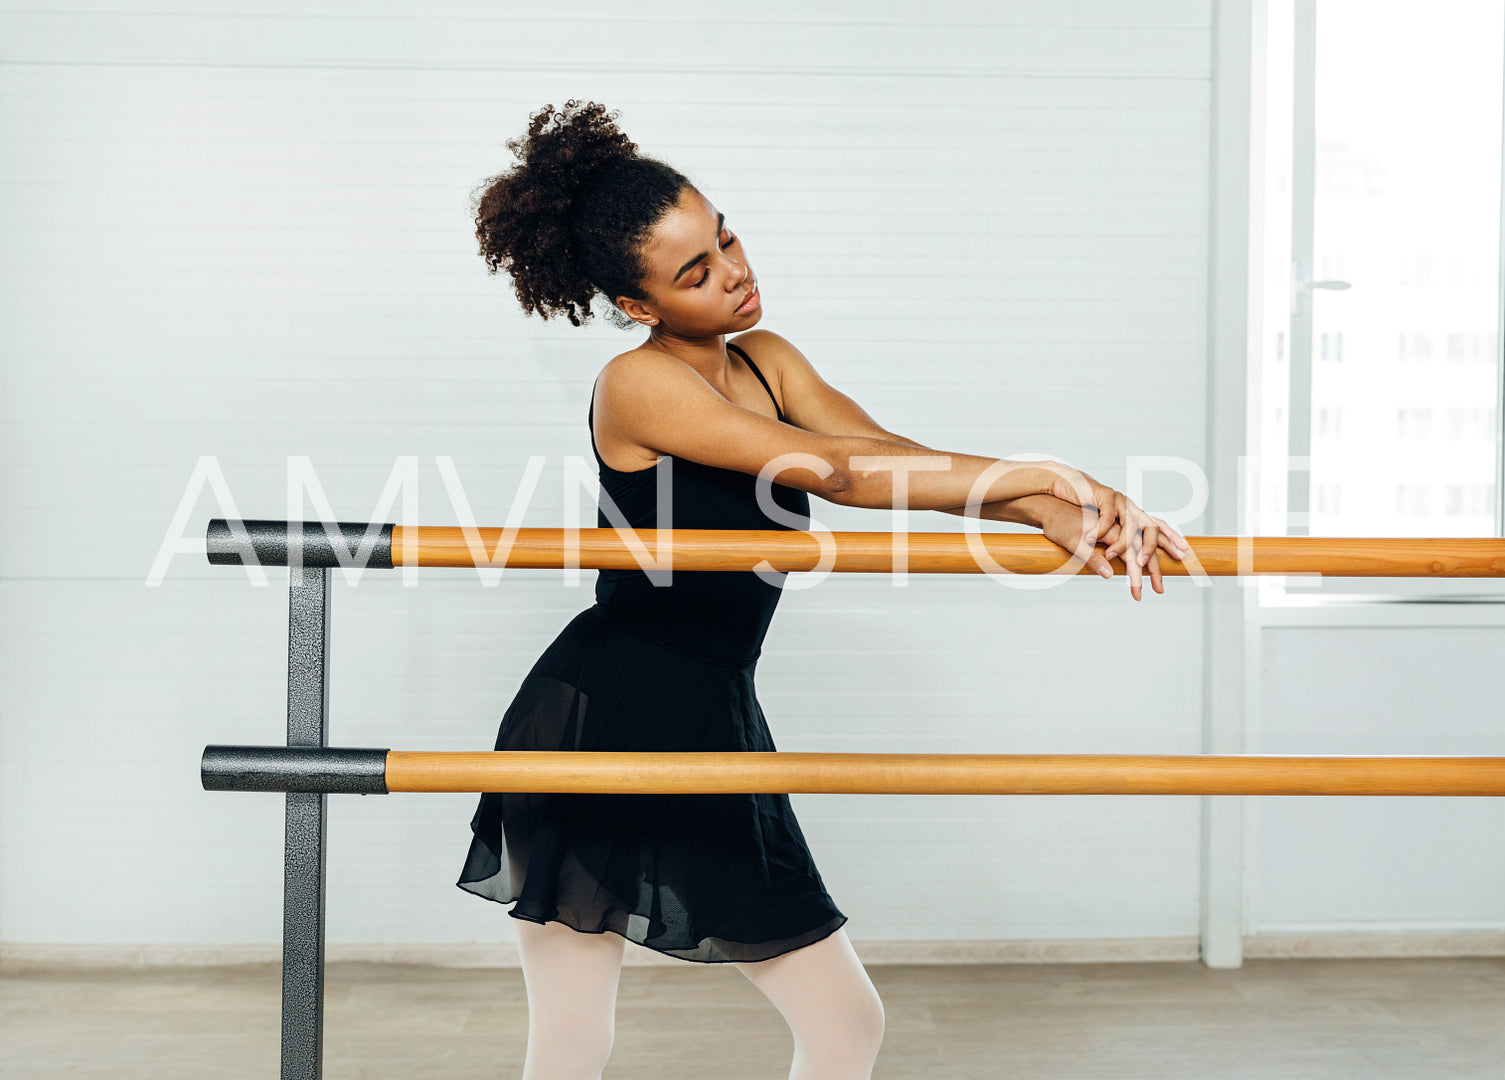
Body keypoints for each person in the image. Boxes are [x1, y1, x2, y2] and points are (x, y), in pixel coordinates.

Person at [456, 100, 1189, 1080]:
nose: (734, 272)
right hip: (605, 711)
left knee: (843, 1024)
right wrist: (1046, 474)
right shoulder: (638, 386)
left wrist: (1046, 511)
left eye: (725, 237)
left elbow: (887, 458)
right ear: (638, 306)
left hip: (711, 709)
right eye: (694, 272)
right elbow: (826, 474)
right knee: (573, 1043)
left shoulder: (766, 360)